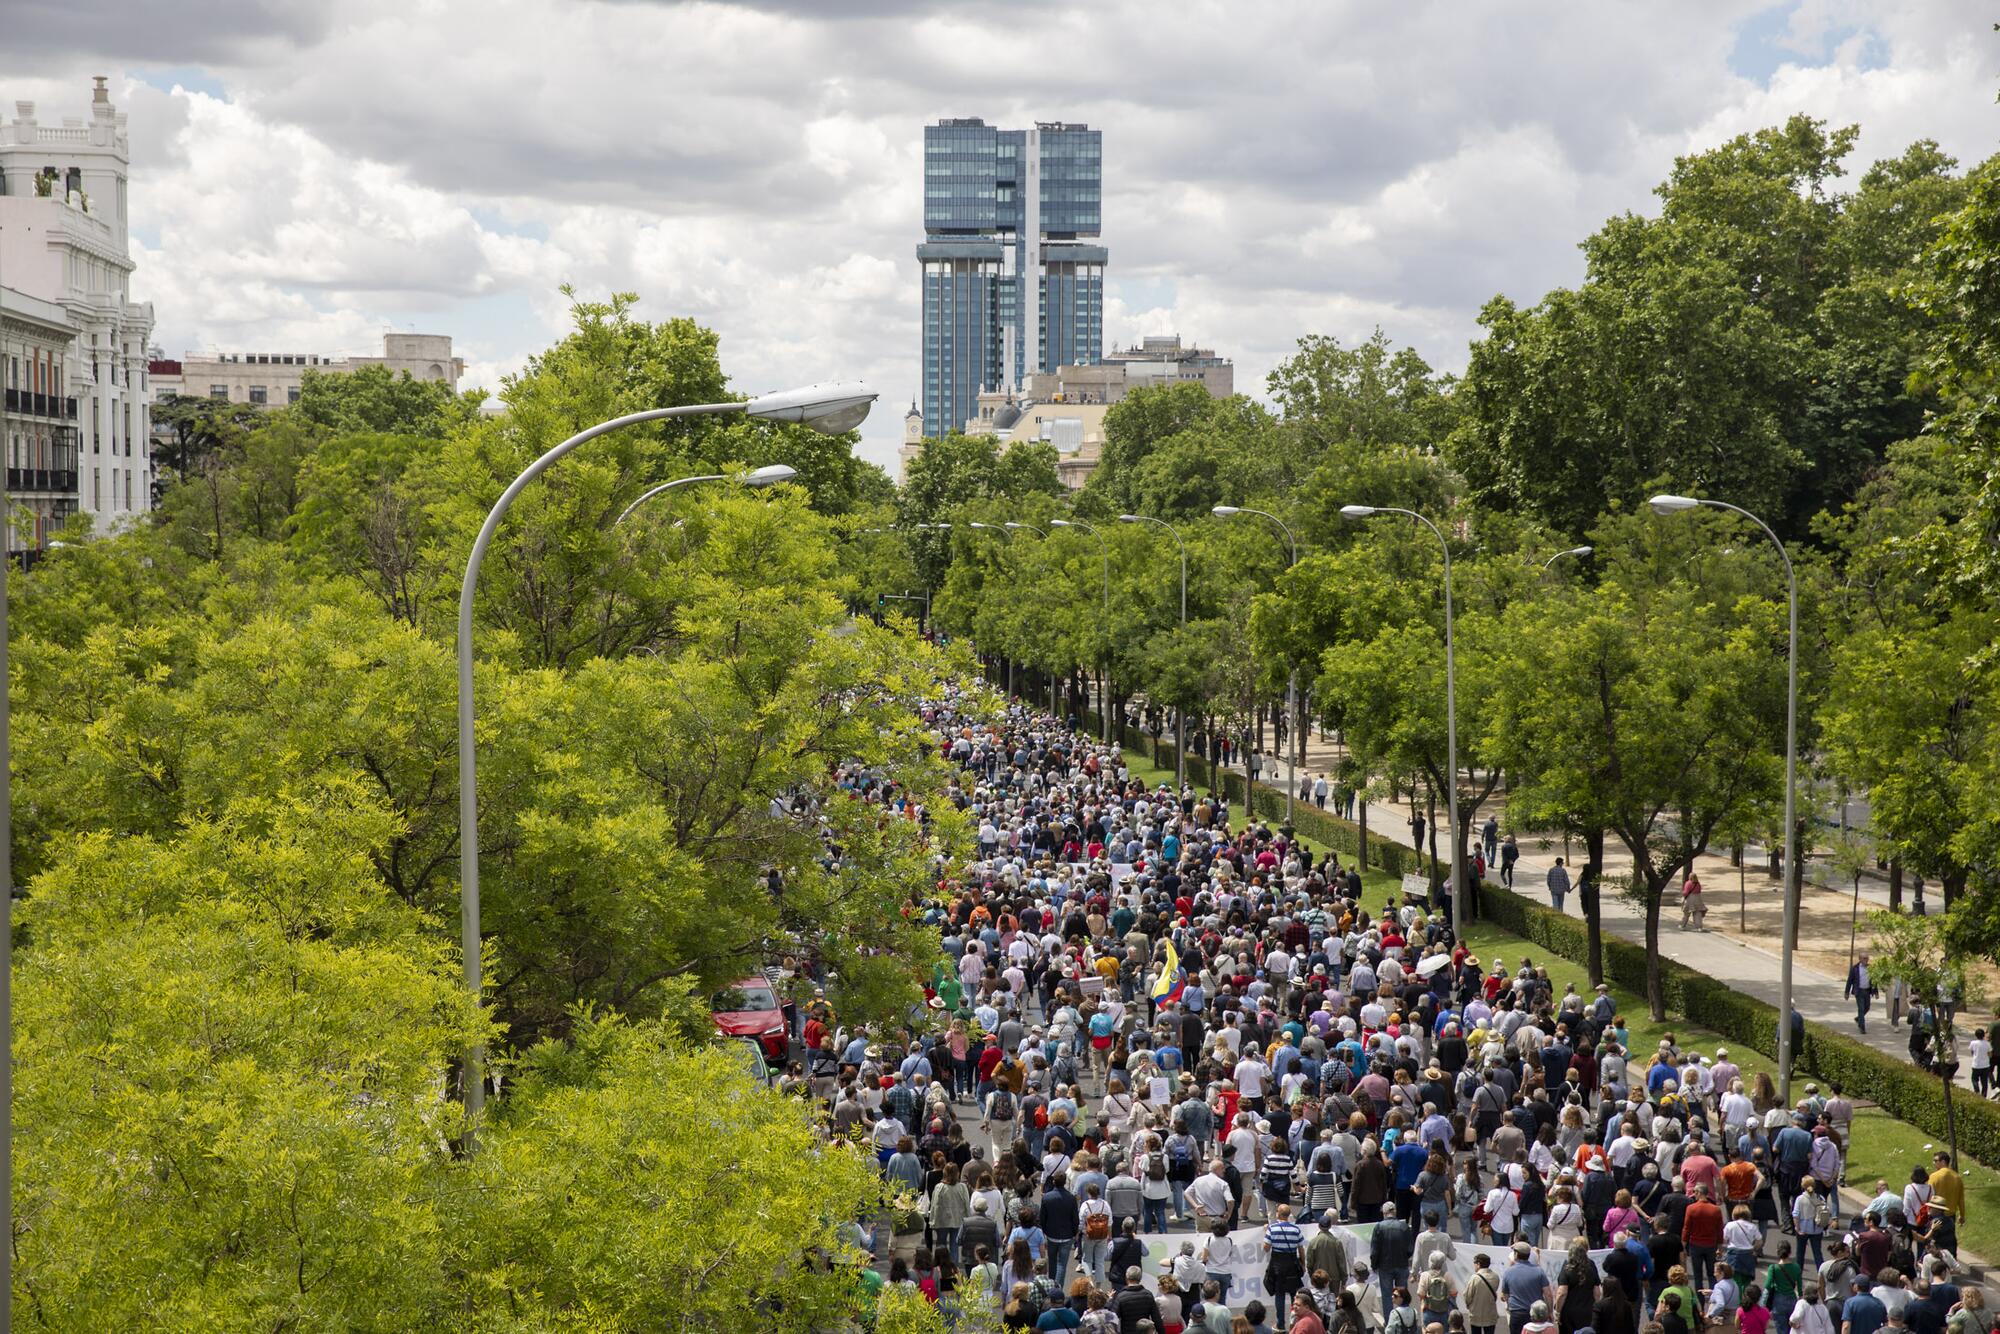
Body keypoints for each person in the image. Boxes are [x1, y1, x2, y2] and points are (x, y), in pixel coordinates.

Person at [1267, 1204, 1308, 1327]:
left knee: (1279, 1294)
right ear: (1289, 1215)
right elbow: (1301, 1249)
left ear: (1278, 1213)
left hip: (1277, 1266)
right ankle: (1295, 1322)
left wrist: (1266, 1232)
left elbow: (1265, 1248)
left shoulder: (1272, 1228)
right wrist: (1303, 1263)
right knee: (1294, 1295)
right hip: (1292, 1266)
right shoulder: (1295, 1229)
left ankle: (1280, 1324)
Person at [1846, 955, 1876, 1034]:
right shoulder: (1855, 968)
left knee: (1867, 1007)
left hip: (1867, 991)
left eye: (1867, 958)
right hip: (1859, 991)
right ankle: (1862, 1026)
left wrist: (1876, 992)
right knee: (1861, 1008)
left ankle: (1858, 1018)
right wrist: (1847, 992)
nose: (1866, 960)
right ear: (1860, 959)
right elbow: (1849, 981)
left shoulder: (1871, 968)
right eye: (1864, 958)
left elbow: (1874, 981)